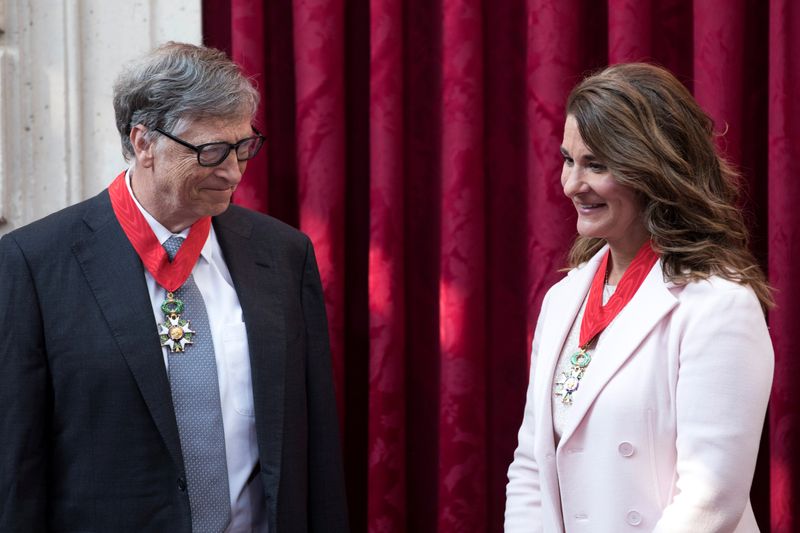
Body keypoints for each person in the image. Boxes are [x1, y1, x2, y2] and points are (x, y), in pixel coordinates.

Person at [0, 42, 348, 532]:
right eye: (210, 152)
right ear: (144, 142)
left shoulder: (284, 254)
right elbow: (16, 467)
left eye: (244, 147)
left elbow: (315, 447)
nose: (232, 172)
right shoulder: (33, 265)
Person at [505, 63, 774, 532]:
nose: (572, 185)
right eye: (569, 160)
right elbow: (531, 466)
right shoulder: (562, 298)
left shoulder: (720, 303)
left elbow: (709, 500)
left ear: (653, 169)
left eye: (597, 165)